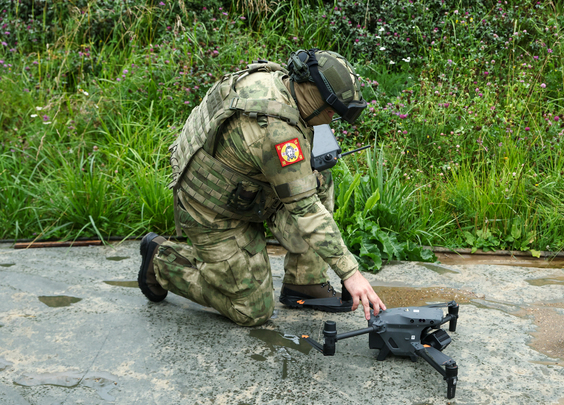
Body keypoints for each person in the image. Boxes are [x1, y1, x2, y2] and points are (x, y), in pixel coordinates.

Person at [137, 49, 386, 326]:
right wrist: (351, 274)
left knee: (318, 178)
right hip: (212, 211)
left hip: (247, 189)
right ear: (314, 97)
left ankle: (305, 282)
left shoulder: (279, 80)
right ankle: (161, 262)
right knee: (252, 310)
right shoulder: (277, 133)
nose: (331, 119)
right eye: (331, 111)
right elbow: (306, 210)